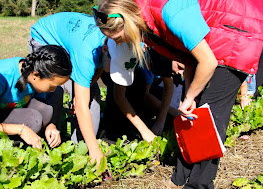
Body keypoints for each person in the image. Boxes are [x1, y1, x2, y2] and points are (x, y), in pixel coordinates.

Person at [93, 0, 263, 189]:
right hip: (215, 42)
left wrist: (193, 96)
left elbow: (208, 61)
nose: (121, 43)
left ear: (127, 21)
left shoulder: (170, 12)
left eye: (120, 38)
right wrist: (188, 94)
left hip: (242, 34)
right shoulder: (145, 17)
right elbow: (188, 55)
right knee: (190, 109)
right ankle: (181, 176)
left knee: (210, 113)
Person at [28, 12, 108, 166]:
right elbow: (81, 106)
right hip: (46, 37)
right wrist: (79, 102)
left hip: (73, 43)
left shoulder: (116, 41)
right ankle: (50, 144)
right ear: (105, 50)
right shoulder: (86, 52)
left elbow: (99, 67)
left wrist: (80, 94)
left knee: (92, 93)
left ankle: (80, 148)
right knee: (53, 89)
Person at [99, 40, 178, 142]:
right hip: (114, 64)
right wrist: (144, 131)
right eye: (179, 67)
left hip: (137, 69)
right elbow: (120, 96)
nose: (179, 72)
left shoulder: (163, 54)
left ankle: (135, 123)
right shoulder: (129, 57)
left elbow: (168, 85)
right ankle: (112, 131)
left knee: (150, 91)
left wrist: (161, 121)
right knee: (130, 91)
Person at [0, 45, 72, 150]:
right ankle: (12, 151)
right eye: (52, 86)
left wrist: (51, 124)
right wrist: (21, 129)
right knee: (33, 119)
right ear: (36, 75)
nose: (53, 89)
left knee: (51, 102)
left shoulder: (33, 70)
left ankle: (50, 142)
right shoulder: (4, 75)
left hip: (10, 110)